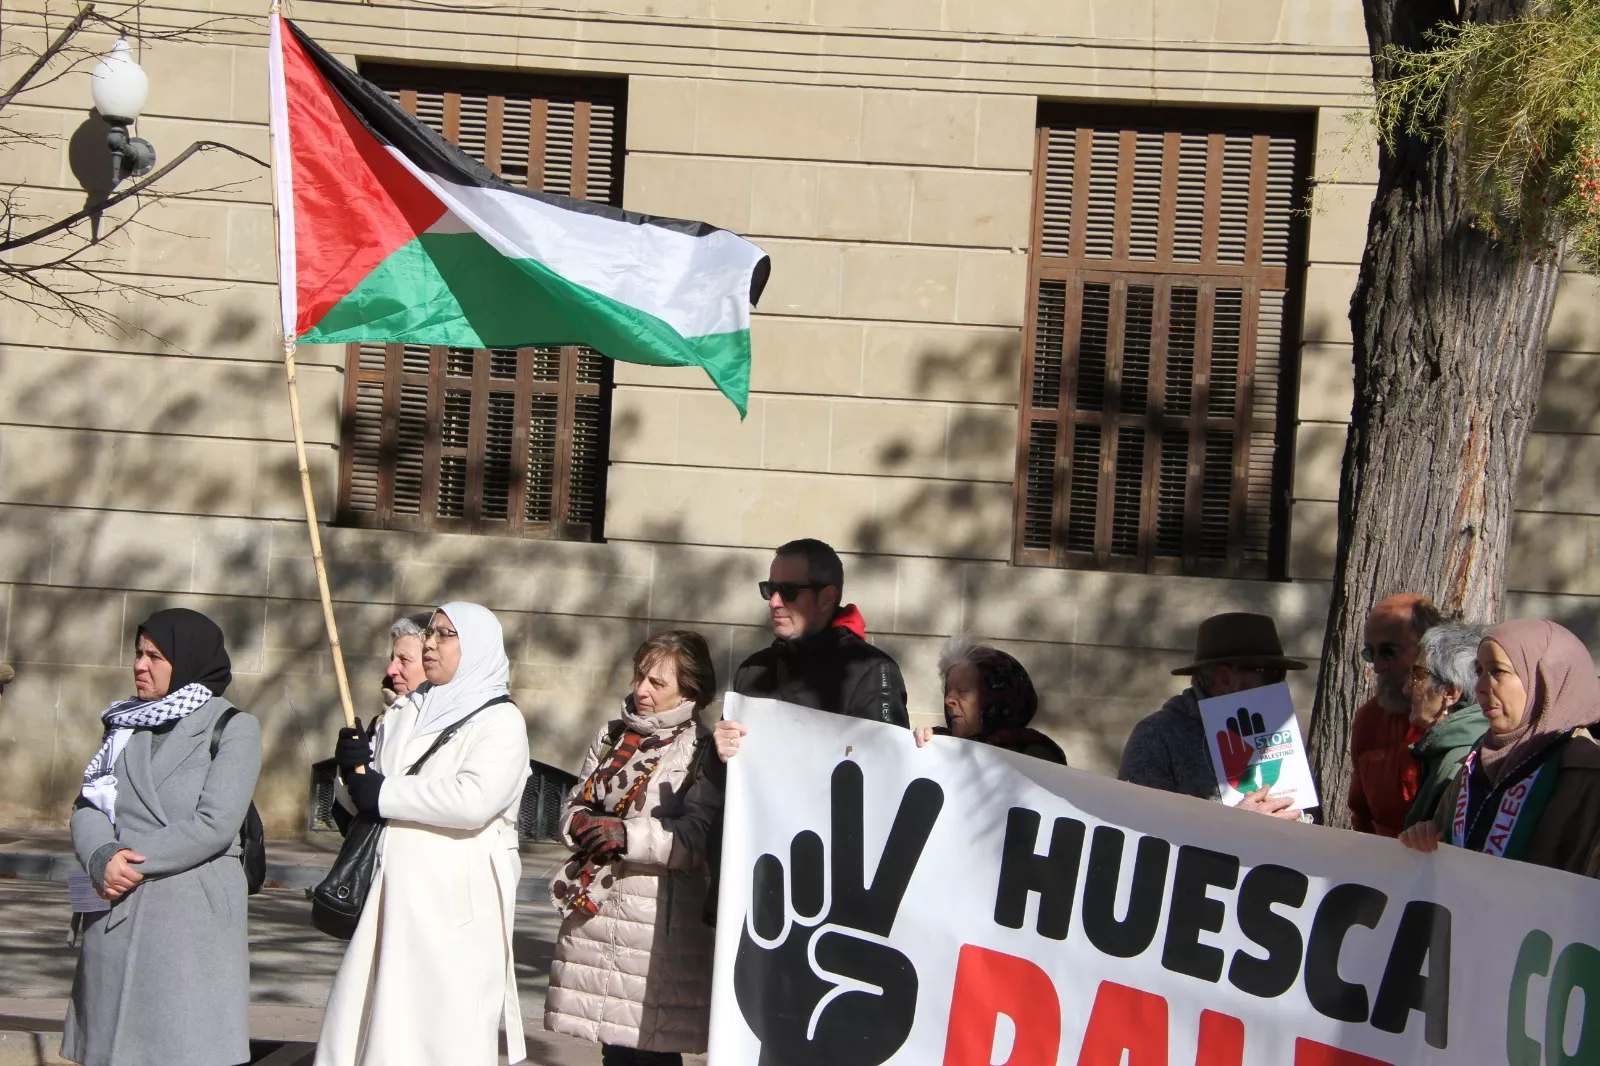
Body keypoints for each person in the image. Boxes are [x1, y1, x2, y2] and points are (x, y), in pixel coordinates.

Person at [316, 602, 532, 1066]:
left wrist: (384, 792)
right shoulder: (405, 711)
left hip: (454, 904)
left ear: (474, 647)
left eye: (445, 635)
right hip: (389, 897)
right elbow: (364, 801)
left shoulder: (501, 720)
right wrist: (349, 770)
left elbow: (474, 799)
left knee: (441, 1027)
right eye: (430, 633)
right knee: (374, 1016)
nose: (431, 643)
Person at [63, 608, 262, 1066]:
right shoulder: (123, 724)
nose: (140, 665)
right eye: (139, 653)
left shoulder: (234, 727)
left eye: (155, 656)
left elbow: (214, 824)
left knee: (182, 1045)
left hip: (189, 917)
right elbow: (89, 803)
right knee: (114, 1047)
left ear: (187, 660)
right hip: (117, 902)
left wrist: (127, 861)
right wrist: (101, 857)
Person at [545, 631, 721, 1065]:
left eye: (657, 683)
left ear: (690, 690)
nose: (641, 689)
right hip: (598, 910)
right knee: (615, 1050)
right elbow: (574, 802)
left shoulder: (702, 748)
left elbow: (698, 837)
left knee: (653, 1052)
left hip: (656, 926)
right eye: (640, 676)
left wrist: (627, 836)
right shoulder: (611, 735)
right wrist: (579, 823)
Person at [1400, 619, 1600, 876]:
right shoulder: (1475, 764)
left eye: (1498, 671)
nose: (1480, 687)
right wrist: (1423, 837)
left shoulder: (1588, 775)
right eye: (1479, 671)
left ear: (1545, 680)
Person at [712, 538, 909, 762]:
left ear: (827, 598)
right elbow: (712, 788)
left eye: (788, 591)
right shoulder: (752, 669)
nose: (774, 602)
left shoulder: (872, 670)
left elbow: (889, 767)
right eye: (769, 589)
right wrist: (717, 755)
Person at [1117, 612, 1307, 820]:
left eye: (1280, 674)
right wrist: (1232, 826)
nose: (1278, 683)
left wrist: (1301, 817)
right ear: (1225, 678)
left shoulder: (1279, 726)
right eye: (1269, 672)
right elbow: (1139, 827)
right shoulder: (1157, 736)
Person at [1347, 593, 1445, 837]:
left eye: (1388, 652)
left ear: (1427, 647)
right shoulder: (1370, 719)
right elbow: (1361, 815)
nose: (1378, 667)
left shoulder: (1467, 716)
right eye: (1370, 653)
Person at [913, 637, 1066, 764]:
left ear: (998, 699)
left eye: (963, 691)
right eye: (948, 690)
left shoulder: (1038, 759)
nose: (948, 700)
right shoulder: (937, 743)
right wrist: (918, 747)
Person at [1400, 622, 1490, 830]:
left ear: (1450, 693)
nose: (1407, 689)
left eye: (1417, 676)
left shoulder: (1459, 761)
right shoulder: (1450, 750)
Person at [383, 612, 430, 708]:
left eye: (404, 660)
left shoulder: (455, 721)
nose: (390, 671)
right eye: (392, 659)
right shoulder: (382, 720)